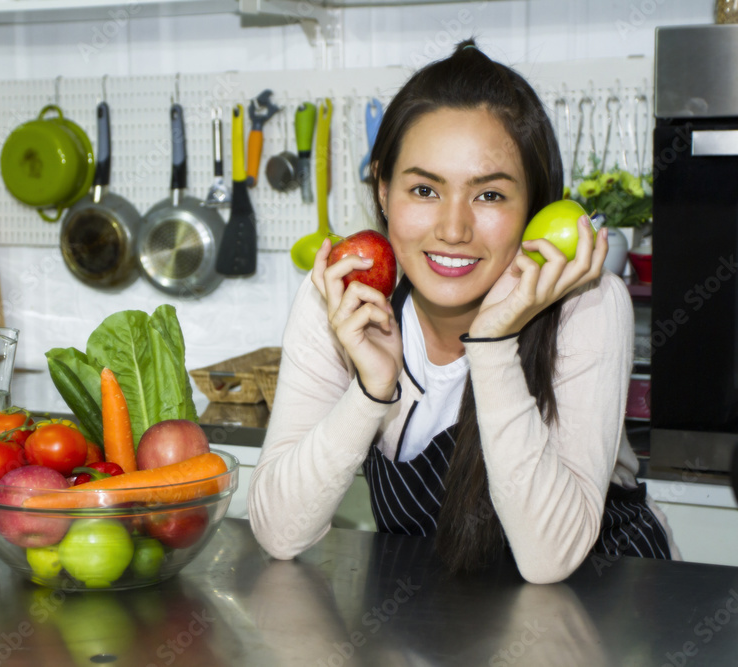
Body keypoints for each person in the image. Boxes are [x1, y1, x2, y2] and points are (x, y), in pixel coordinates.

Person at [247, 39, 678, 584]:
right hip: (437, 620)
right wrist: (370, 389)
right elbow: (280, 533)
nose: (453, 229)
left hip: (610, 613)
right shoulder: (343, 299)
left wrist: (495, 346)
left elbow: (551, 560)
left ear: (534, 205)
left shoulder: (584, 303)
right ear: (382, 189)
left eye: (490, 196)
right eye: (424, 189)